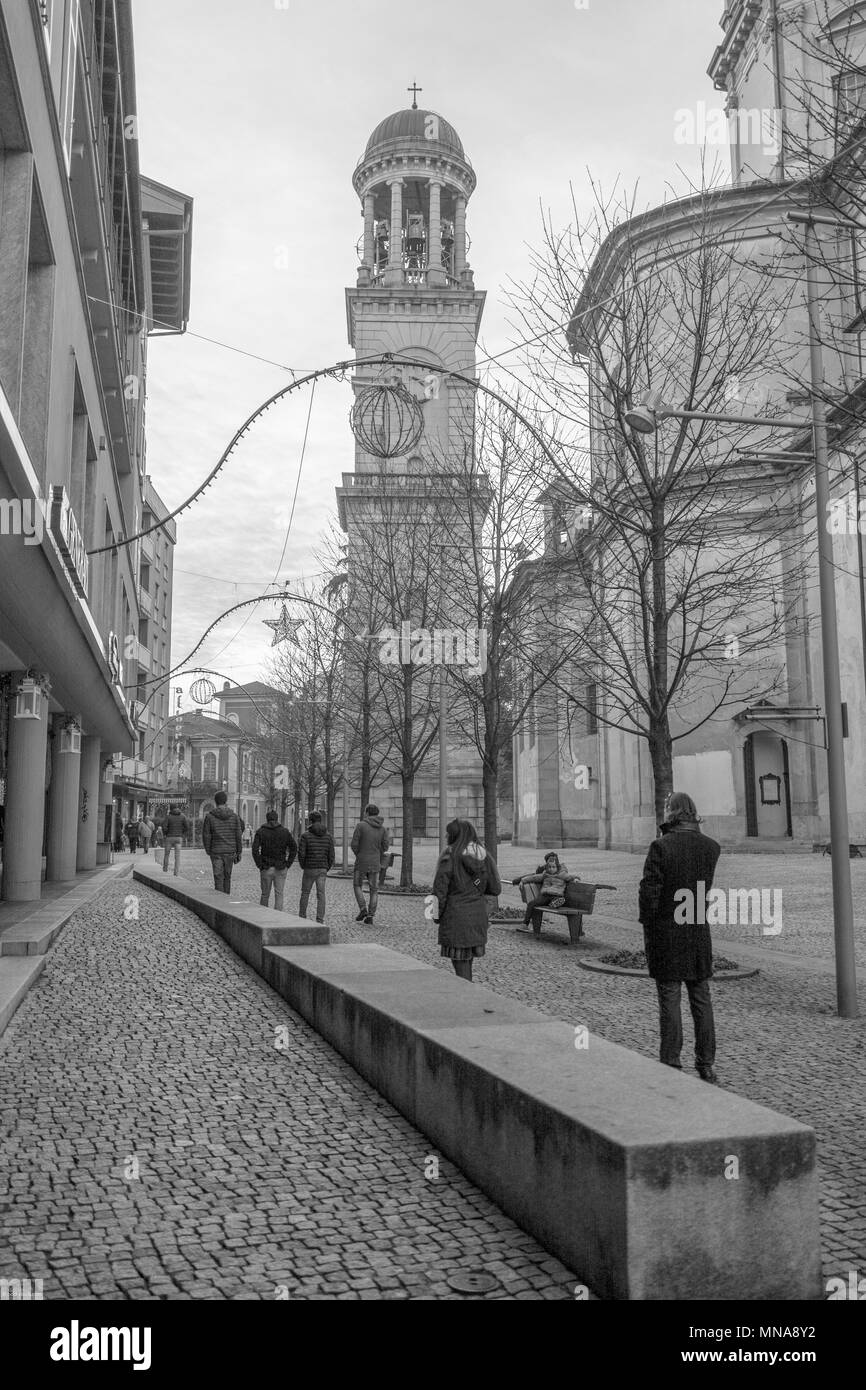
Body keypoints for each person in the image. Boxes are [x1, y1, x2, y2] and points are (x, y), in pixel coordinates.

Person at [638, 791, 722, 1084]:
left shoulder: (661, 847)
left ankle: (671, 1062)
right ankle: (706, 1063)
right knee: (701, 999)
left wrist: (648, 924)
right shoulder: (711, 847)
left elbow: (649, 892)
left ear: (670, 813)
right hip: (697, 929)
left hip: (667, 931)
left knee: (670, 999)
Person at [432, 819, 501, 982]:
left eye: (448, 833)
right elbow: (495, 889)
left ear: (454, 835)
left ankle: (469, 1001)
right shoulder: (483, 855)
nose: (446, 835)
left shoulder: (449, 856)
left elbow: (438, 891)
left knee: (461, 969)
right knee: (466, 964)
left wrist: (435, 915)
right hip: (477, 917)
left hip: (455, 918)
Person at [513, 852, 578, 928]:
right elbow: (534, 877)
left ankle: (556, 903)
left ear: (557, 867)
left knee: (558, 899)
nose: (551, 869)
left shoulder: (562, 874)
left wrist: (575, 879)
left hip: (556, 894)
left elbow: (570, 877)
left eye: (553, 867)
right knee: (531, 904)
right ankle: (525, 924)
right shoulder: (545, 875)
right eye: (549, 867)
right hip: (545, 896)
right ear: (547, 867)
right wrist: (522, 881)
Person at [351, 803, 389, 925]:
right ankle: (371, 915)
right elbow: (385, 846)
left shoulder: (361, 826)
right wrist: (377, 853)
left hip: (361, 860)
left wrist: (360, 853)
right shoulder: (382, 828)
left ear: (367, 812)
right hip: (375, 861)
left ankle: (363, 909)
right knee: (374, 889)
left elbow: (354, 844)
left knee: (357, 885)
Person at [252, 811, 298, 911]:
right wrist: (288, 864)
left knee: (265, 894)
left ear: (267, 819)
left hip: (266, 866)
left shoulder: (261, 831)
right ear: (277, 819)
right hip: (281, 866)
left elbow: (254, 850)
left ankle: (263, 917)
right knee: (279, 894)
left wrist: (259, 864)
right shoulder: (285, 831)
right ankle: (278, 917)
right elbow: (294, 848)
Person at [201, 791, 243, 894]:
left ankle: (219, 901)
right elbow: (238, 835)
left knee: (218, 877)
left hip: (216, 851)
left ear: (215, 801)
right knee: (227, 877)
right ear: (226, 801)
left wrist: (208, 849)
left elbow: (206, 835)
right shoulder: (234, 816)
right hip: (230, 851)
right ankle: (226, 899)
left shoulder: (210, 817)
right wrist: (239, 851)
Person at [297, 811, 335, 924]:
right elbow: (331, 854)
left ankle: (302, 917)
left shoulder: (305, 835)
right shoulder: (328, 836)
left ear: (310, 821)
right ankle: (320, 919)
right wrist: (326, 867)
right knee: (321, 894)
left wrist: (303, 865)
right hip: (322, 868)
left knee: (305, 893)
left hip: (309, 867)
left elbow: (301, 853)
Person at [161, 804, 191, 876]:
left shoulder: (168, 817)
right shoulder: (183, 816)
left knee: (166, 854)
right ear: (177, 808)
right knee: (177, 856)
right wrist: (182, 833)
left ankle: (165, 870)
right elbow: (187, 827)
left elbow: (164, 827)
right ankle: (176, 873)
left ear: (170, 809)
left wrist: (166, 833)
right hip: (178, 838)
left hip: (169, 837)